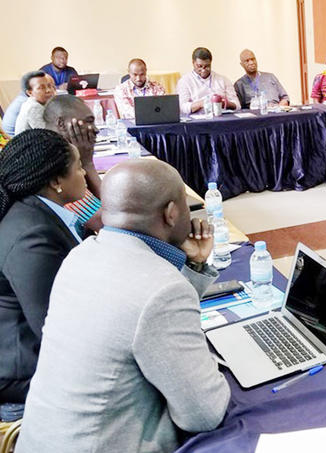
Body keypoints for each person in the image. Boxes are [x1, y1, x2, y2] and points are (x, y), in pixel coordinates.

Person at [17, 159, 230, 453]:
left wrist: (193, 264)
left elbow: (142, 317)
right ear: (171, 213)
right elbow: (204, 414)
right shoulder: (162, 289)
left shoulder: (81, 255)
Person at [0, 129, 87, 405]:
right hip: (25, 372)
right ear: (56, 181)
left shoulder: (40, 210)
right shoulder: (31, 236)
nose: (84, 174)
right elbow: (54, 327)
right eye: (79, 167)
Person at [43, 95, 103, 229]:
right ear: (61, 124)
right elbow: (106, 220)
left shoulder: (52, 148)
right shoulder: (55, 161)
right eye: (88, 121)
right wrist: (87, 164)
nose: (95, 129)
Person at [176, 47, 240, 114]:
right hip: (197, 119)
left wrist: (224, 103)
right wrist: (202, 103)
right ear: (193, 63)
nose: (203, 70)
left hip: (221, 116)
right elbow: (181, 108)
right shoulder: (185, 81)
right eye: (199, 66)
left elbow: (237, 105)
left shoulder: (222, 80)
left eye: (207, 66)